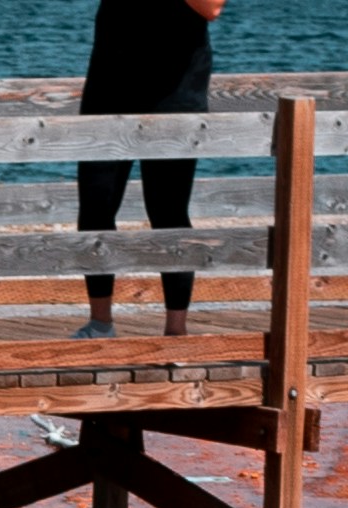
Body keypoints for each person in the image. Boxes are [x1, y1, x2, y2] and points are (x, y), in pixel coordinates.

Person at [77, 0, 216, 334]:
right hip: (109, 84)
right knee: (96, 205)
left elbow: (211, 7)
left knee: (168, 211)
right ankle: (100, 323)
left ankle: (176, 332)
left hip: (175, 94)